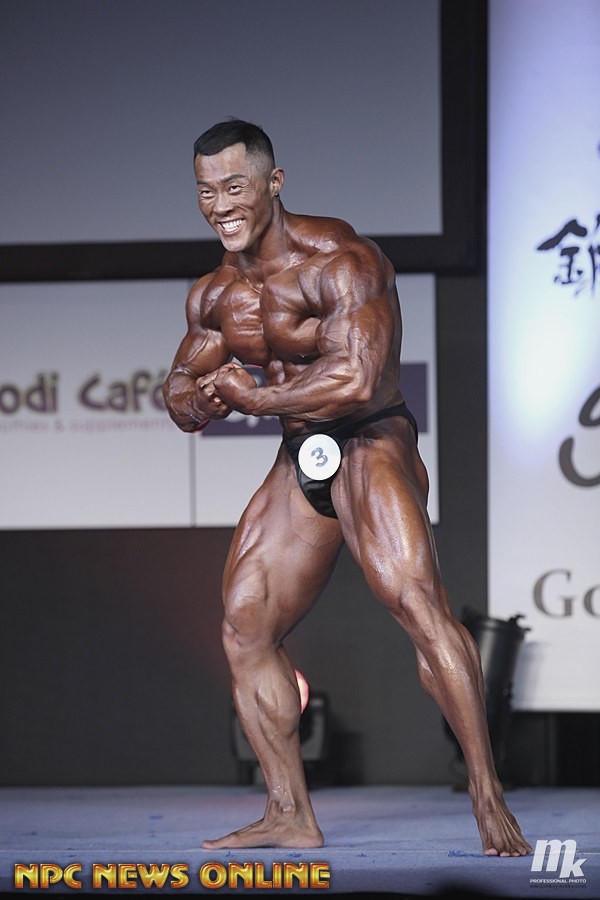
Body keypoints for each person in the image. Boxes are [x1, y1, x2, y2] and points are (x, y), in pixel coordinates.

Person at [163, 119, 531, 857]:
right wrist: (192, 401)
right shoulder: (215, 294)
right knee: (244, 624)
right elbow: (180, 382)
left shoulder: (344, 259)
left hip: (370, 438)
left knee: (417, 604)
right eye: (206, 192)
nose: (220, 206)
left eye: (234, 187)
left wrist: (254, 397)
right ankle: (288, 813)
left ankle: (487, 792)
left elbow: (358, 379)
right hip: (301, 452)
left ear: (274, 182)